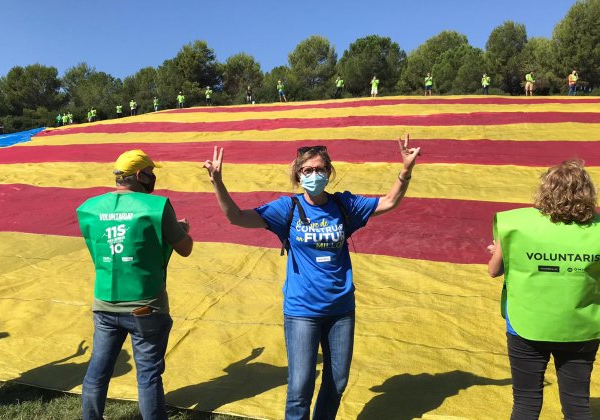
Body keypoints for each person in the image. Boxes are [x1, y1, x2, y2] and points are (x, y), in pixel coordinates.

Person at [203, 136, 421, 419]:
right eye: (308, 171)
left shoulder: (345, 205)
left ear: (329, 172)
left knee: (337, 382)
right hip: (302, 311)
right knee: (300, 387)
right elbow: (236, 217)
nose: (314, 175)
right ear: (298, 175)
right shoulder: (288, 209)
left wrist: (405, 169)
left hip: (341, 309)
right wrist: (217, 182)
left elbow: (389, 201)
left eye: (320, 169)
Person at [77, 149, 194, 420]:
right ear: (140, 175)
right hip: (146, 304)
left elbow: (100, 248)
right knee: (148, 375)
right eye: (151, 173)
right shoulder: (156, 207)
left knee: (98, 370)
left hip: (105, 301)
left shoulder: (90, 208)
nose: (153, 178)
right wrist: (182, 229)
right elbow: (184, 248)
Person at [487, 160, 600, 420]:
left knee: (526, 402)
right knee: (577, 405)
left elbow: (494, 271)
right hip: (580, 327)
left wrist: (499, 252)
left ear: (545, 190)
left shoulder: (515, 224)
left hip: (527, 324)